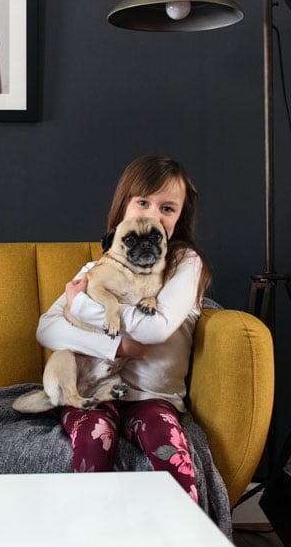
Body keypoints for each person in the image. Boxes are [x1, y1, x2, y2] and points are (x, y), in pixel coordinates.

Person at [36, 155, 212, 503]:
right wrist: (115, 348)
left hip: (153, 398)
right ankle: (88, 528)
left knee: (168, 445)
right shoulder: (96, 266)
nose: (152, 214)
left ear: (180, 217)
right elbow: (48, 329)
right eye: (143, 202)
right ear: (123, 207)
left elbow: (154, 331)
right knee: (94, 433)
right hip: (96, 391)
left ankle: (185, 534)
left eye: (167, 208)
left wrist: (85, 305)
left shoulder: (184, 264)